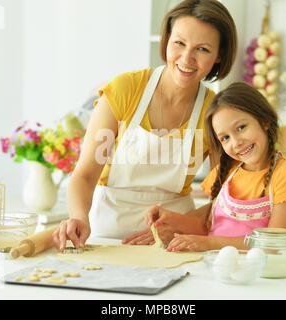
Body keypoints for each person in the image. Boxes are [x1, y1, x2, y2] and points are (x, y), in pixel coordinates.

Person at [52, 0, 238, 251]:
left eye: (202, 49)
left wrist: (180, 225)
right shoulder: (124, 90)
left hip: (175, 241)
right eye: (179, 43)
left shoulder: (215, 112)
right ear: (167, 40)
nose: (187, 58)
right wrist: (78, 217)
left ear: (219, 56)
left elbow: (225, 199)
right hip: (106, 235)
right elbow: (85, 175)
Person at [145, 82, 286, 251]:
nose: (236, 142)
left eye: (241, 127)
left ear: (264, 121)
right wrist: (171, 220)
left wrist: (208, 243)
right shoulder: (227, 171)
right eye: (225, 138)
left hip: (256, 272)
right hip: (215, 265)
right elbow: (210, 226)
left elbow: (273, 243)